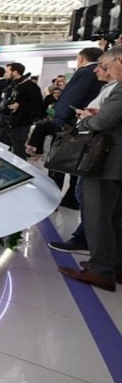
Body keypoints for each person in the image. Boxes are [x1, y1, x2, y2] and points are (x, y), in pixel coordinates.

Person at [58, 44, 122, 292]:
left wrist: (87, 119)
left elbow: (104, 121)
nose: (104, 70)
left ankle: (100, 270)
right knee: (114, 217)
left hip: (107, 162)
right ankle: (114, 265)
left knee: (97, 217)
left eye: (107, 65)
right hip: (115, 163)